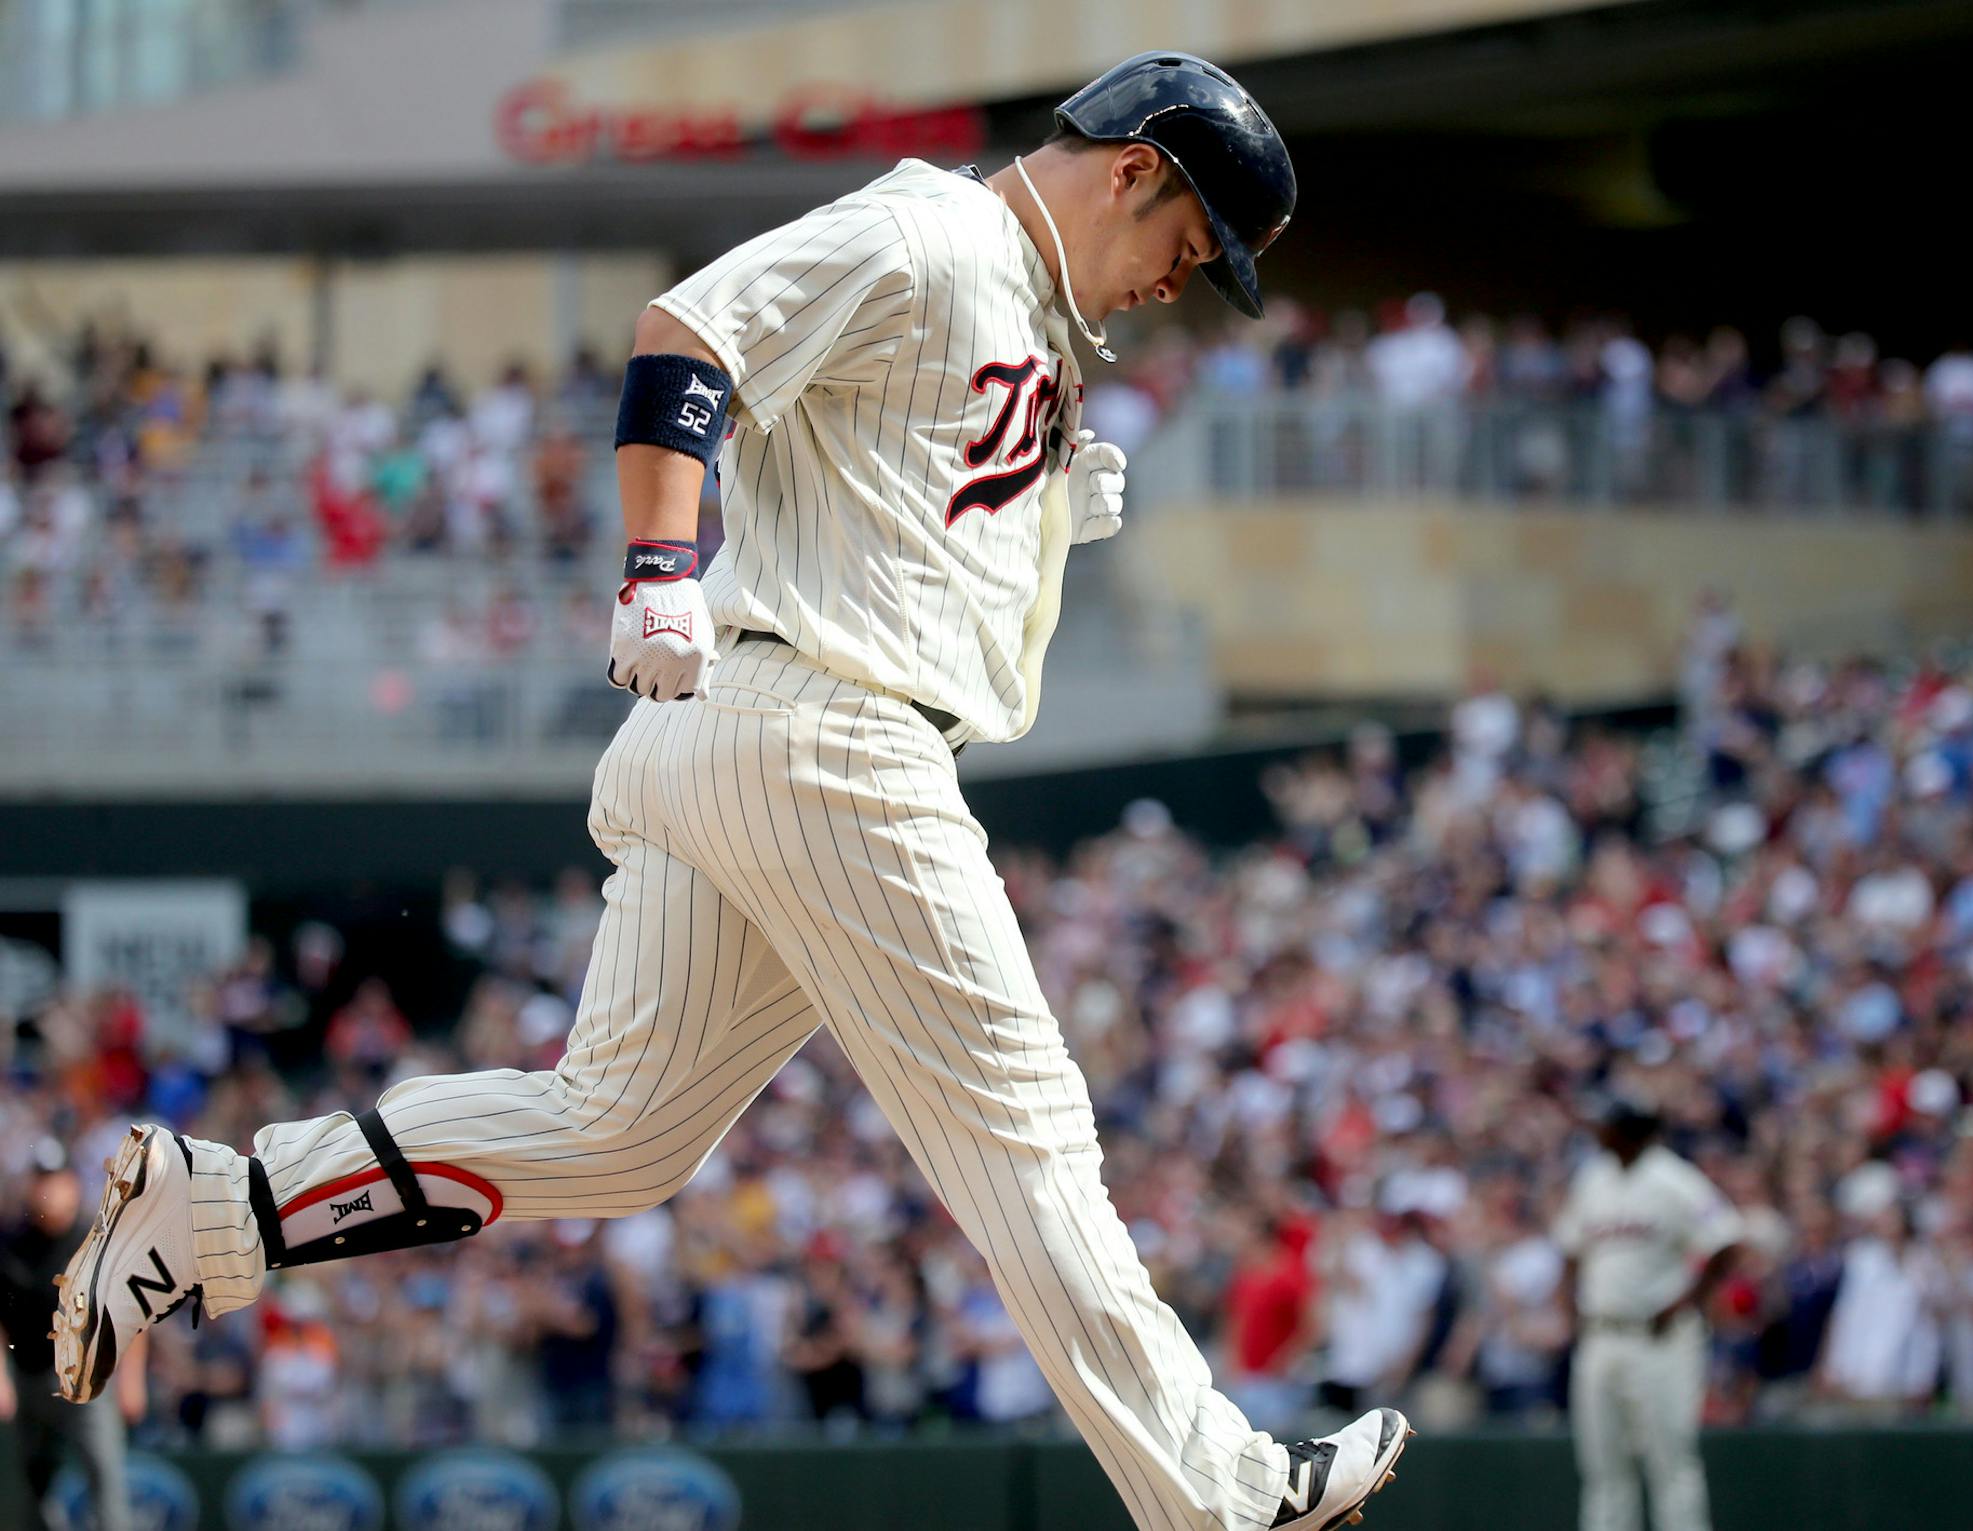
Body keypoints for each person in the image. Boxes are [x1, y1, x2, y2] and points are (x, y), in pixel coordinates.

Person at [51, 51, 1410, 1531]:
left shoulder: (1025, 301)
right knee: (1024, 1130)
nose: (1176, 280)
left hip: (766, 740)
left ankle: (222, 1205)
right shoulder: (933, 231)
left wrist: (1035, 515)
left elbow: (887, 494)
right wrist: (656, 563)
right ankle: (1217, 1494)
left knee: (618, 1130)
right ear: (1137, 164)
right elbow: (688, 332)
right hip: (827, 734)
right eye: (1187, 242)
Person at [1556, 1097, 1744, 1531]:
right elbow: (1569, 1247)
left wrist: (1685, 1300)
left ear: (1634, 1132)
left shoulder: (1674, 1179)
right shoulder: (1594, 1177)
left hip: (1660, 1338)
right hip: (1601, 1334)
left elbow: (1726, 1239)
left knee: (1671, 1464)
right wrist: (1571, 1310)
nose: (1600, 1134)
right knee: (1603, 1469)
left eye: (1609, 1126)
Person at [0, 1139, 144, 1531]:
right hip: (30, 1376)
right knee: (35, 1482)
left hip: (89, 1379)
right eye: (42, 1179)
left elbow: (132, 1311)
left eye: (58, 1179)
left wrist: (132, 1379)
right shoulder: (11, 1243)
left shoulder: (96, 1241)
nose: (50, 1190)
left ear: (74, 1185)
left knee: (104, 1474)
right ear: (30, 1185)